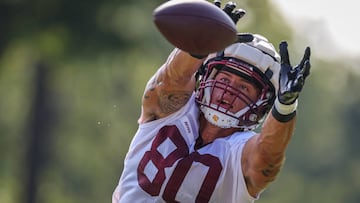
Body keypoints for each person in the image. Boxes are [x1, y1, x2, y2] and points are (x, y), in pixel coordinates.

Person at [112, 2, 311, 203]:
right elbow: (172, 78)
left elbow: (266, 161)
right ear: (205, 76)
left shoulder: (240, 151)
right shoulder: (172, 110)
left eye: (244, 88)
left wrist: (286, 106)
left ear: (262, 103)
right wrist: (199, 45)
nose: (228, 92)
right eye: (224, 80)